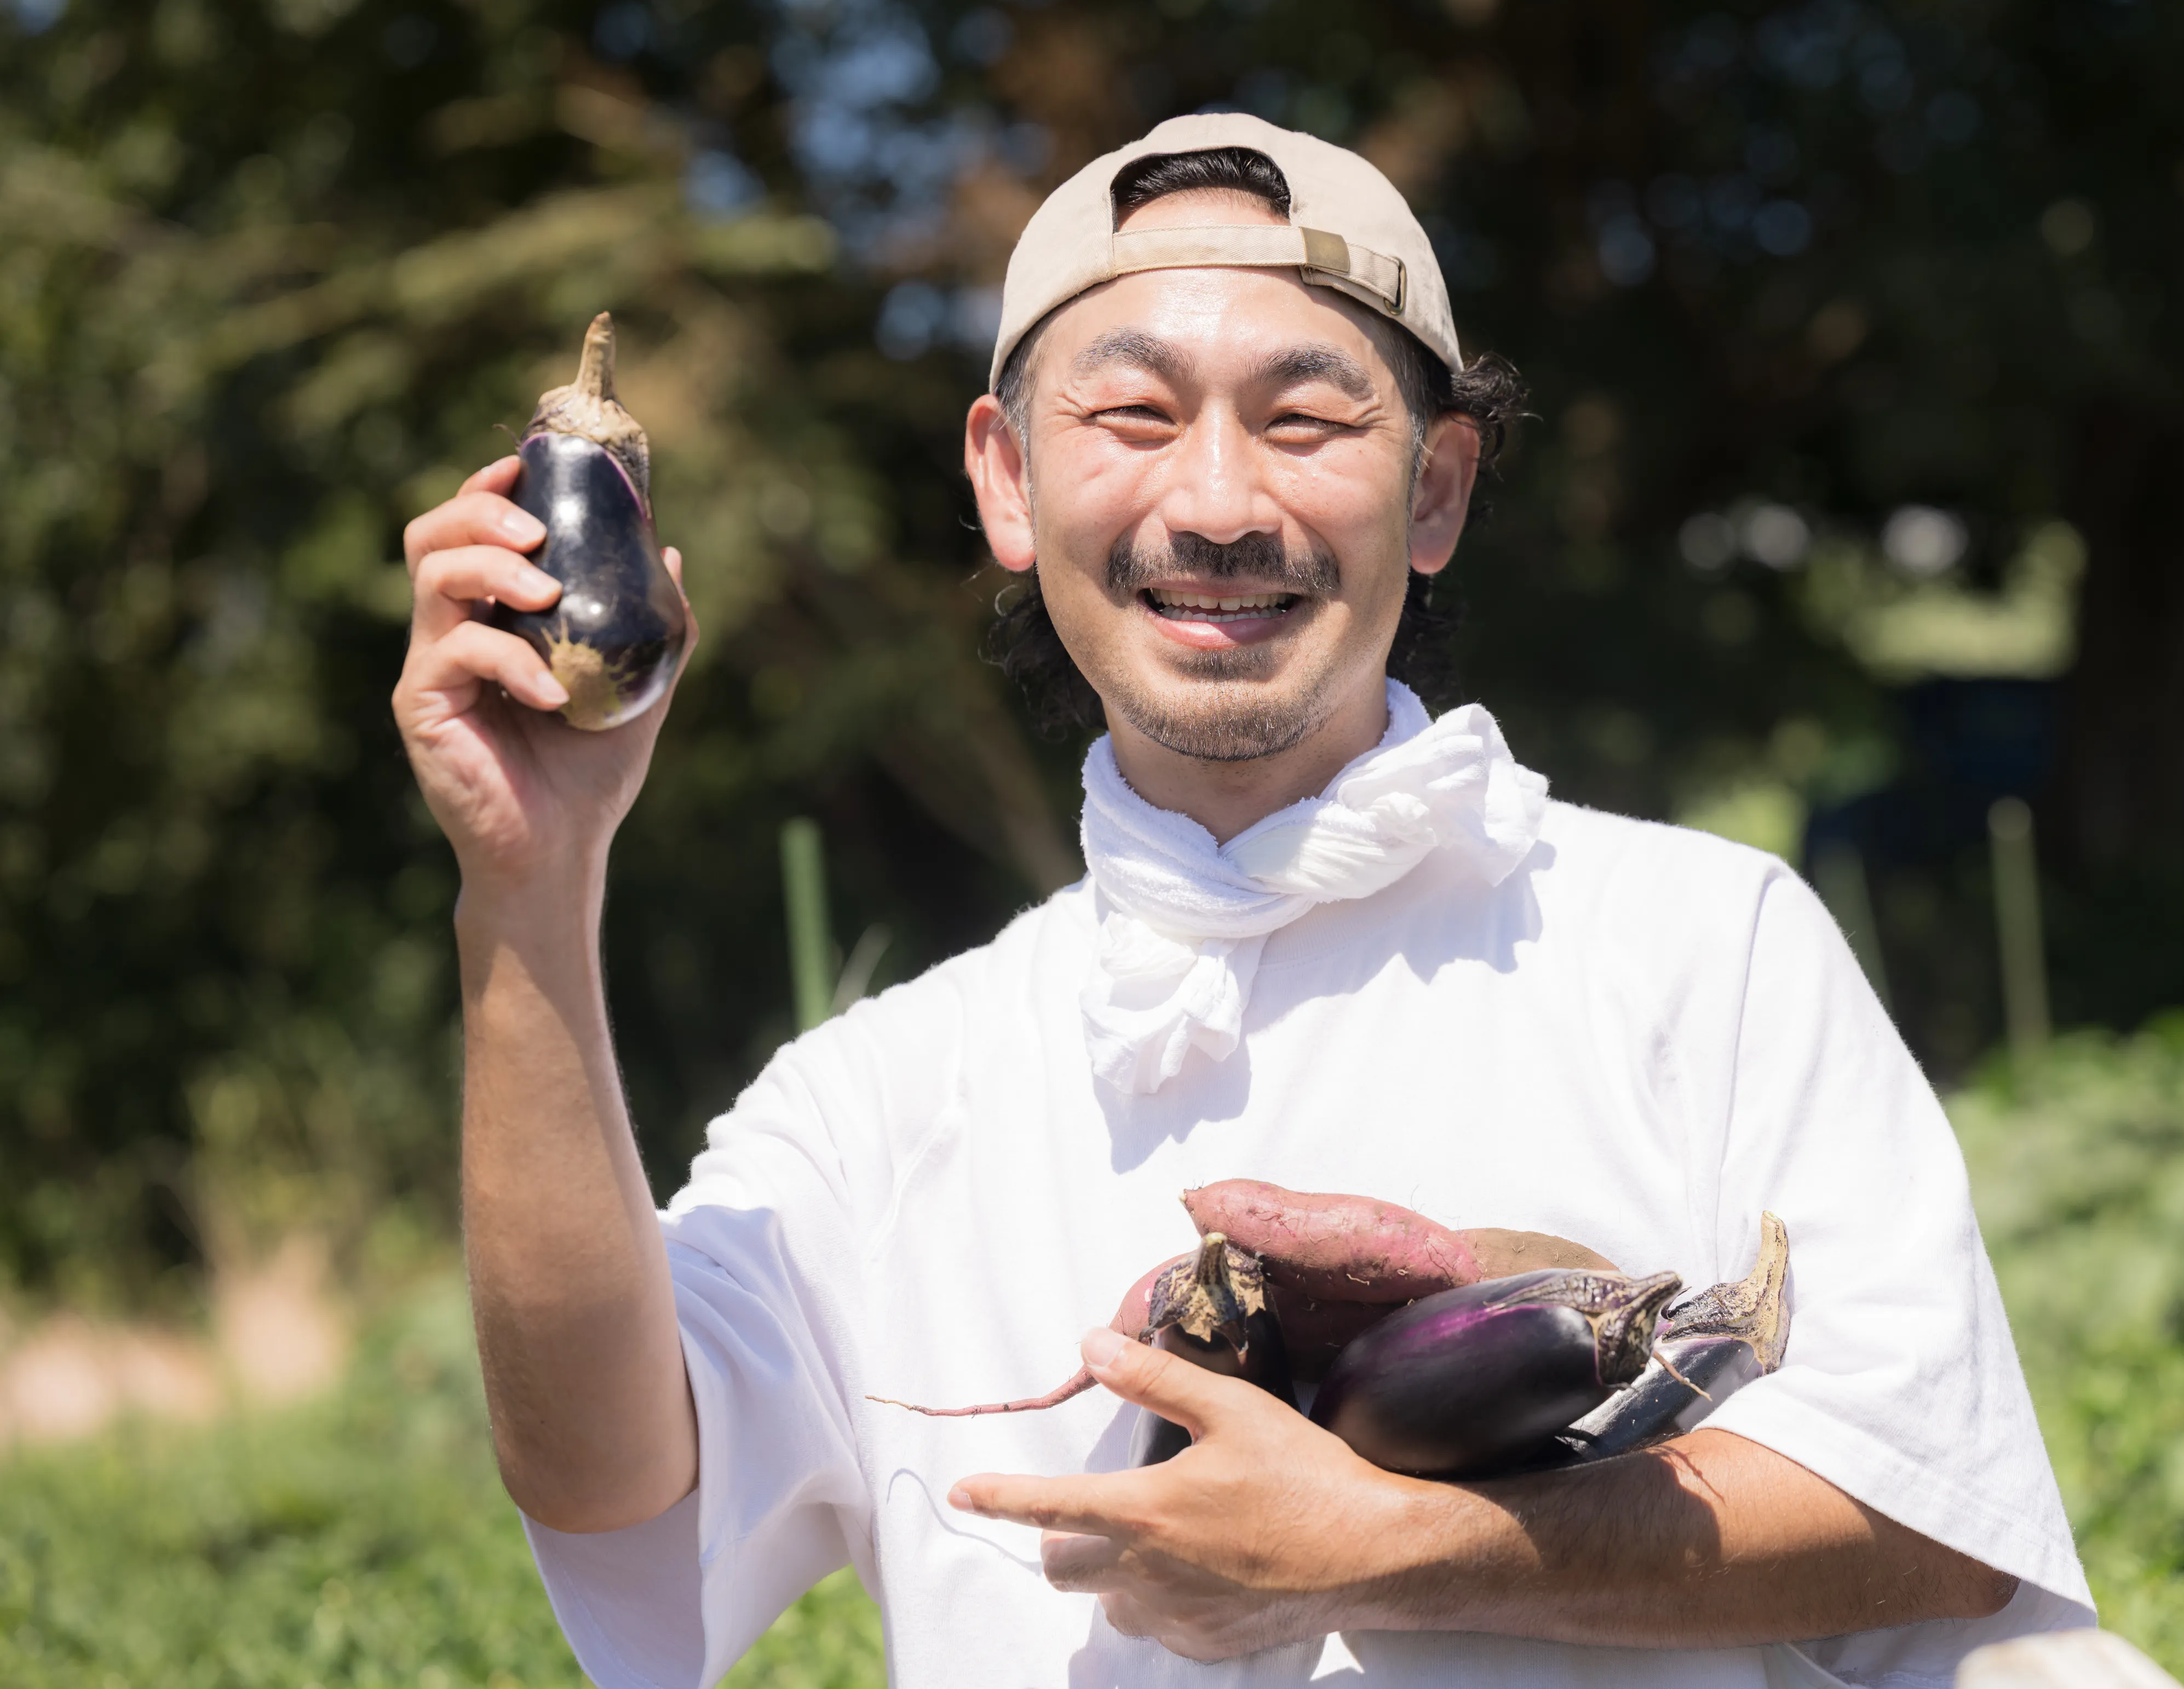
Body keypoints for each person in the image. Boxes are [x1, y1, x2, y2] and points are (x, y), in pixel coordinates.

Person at [392, 112, 2093, 1689]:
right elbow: (616, 1493)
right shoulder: (883, 1097)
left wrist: (1397, 1551)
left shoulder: (1698, 943)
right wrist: (528, 899)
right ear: (1005, 481)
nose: (1215, 503)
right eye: (1131, 415)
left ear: (1433, 492)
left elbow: (1932, 1504)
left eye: (1306, 418)